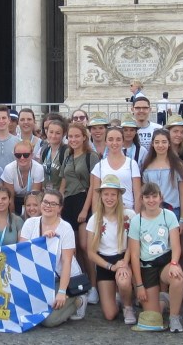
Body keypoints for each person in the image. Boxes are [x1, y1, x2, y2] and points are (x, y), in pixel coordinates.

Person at [19, 189, 86, 326]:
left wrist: (62, 291)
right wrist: (41, 240)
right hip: (41, 278)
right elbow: (23, 253)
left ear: (60, 208)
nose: (48, 206)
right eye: (45, 202)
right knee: (24, 312)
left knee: (49, 321)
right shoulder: (30, 223)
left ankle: (77, 300)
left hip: (63, 278)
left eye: (53, 204)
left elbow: (67, 261)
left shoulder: (66, 228)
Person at [128, 183, 183, 333]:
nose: (151, 200)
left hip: (166, 261)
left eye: (154, 196)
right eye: (147, 197)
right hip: (147, 266)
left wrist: (174, 263)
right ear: (142, 199)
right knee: (153, 317)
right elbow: (134, 255)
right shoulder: (136, 221)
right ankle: (164, 300)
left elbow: (176, 246)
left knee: (177, 277)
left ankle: (174, 317)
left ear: (160, 198)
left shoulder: (169, 215)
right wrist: (138, 285)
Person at [59, 123, 100, 303]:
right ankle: (79, 283)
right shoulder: (67, 155)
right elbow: (63, 181)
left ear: (84, 137)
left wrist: (85, 209)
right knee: (72, 247)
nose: (73, 140)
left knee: (85, 246)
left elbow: (93, 185)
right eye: (71, 137)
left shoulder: (92, 156)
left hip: (84, 201)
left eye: (77, 136)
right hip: (67, 202)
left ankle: (93, 285)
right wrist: (58, 203)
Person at [86, 175, 136, 324]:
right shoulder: (94, 219)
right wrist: (110, 266)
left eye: (113, 194)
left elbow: (133, 244)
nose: (109, 198)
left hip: (123, 257)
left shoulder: (130, 215)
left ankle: (128, 306)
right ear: (101, 196)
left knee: (123, 280)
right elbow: (90, 252)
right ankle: (117, 297)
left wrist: (123, 263)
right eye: (106, 194)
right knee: (110, 314)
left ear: (119, 196)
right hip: (104, 262)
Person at [90, 126, 142, 211]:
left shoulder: (132, 164)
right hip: (106, 213)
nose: (114, 143)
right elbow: (96, 196)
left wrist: (137, 217)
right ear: (105, 142)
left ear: (123, 142)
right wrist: (96, 218)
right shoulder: (99, 166)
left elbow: (137, 194)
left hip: (127, 211)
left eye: (118, 139)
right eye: (110, 139)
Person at [141, 129, 183, 221]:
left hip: (173, 211)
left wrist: (182, 219)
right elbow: (144, 192)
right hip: (152, 210)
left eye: (164, 142)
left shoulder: (178, 165)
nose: (160, 145)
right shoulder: (147, 166)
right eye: (157, 142)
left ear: (169, 144)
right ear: (152, 144)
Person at [2, 140, 44, 215]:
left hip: (32, 201)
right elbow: (10, 199)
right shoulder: (8, 169)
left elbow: (34, 198)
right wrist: (14, 220)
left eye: (26, 155)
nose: (22, 158)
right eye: (18, 155)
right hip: (15, 200)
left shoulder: (38, 168)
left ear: (32, 155)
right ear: (14, 155)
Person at [37, 119, 66, 190]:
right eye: (51, 132)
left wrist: (60, 195)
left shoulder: (66, 151)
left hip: (59, 195)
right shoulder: (45, 150)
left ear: (63, 134)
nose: (53, 136)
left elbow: (65, 177)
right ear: (47, 132)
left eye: (58, 133)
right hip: (46, 194)